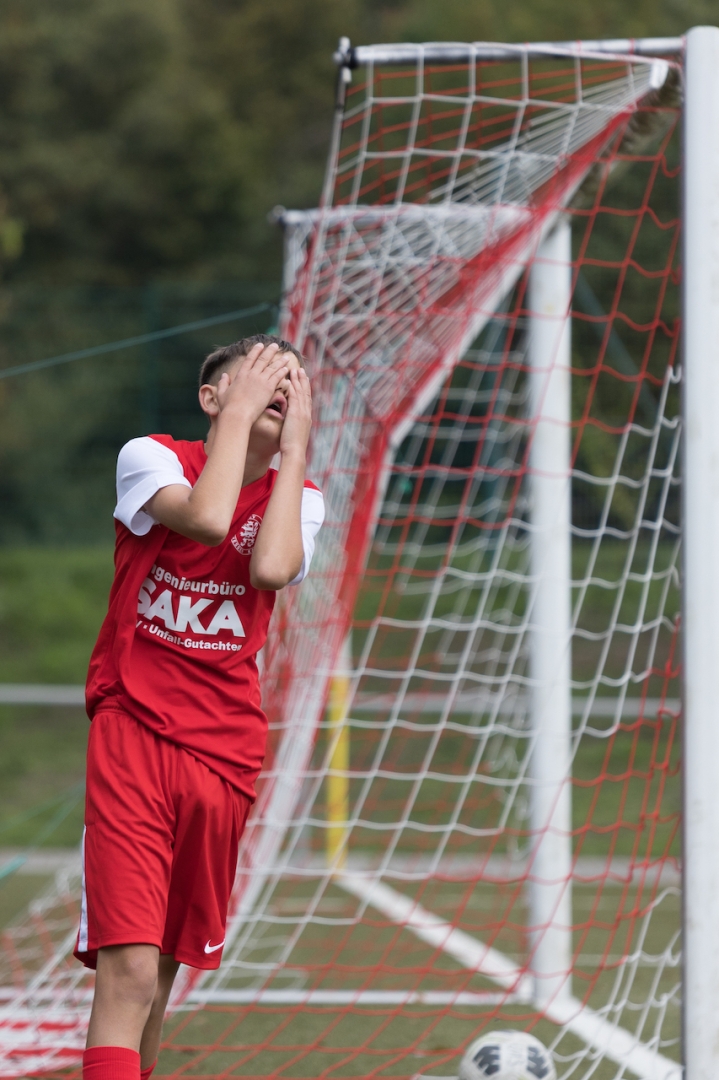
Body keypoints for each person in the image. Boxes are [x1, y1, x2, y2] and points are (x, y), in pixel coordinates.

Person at [76, 335, 323, 1080]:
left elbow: (271, 567)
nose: (277, 387)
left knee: (156, 980)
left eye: (291, 381)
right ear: (211, 397)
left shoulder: (301, 499)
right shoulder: (151, 457)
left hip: (223, 758)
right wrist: (242, 417)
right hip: (134, 732)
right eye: (260, 374)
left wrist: (295, 450)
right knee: (126, 970)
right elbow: (209, 519)